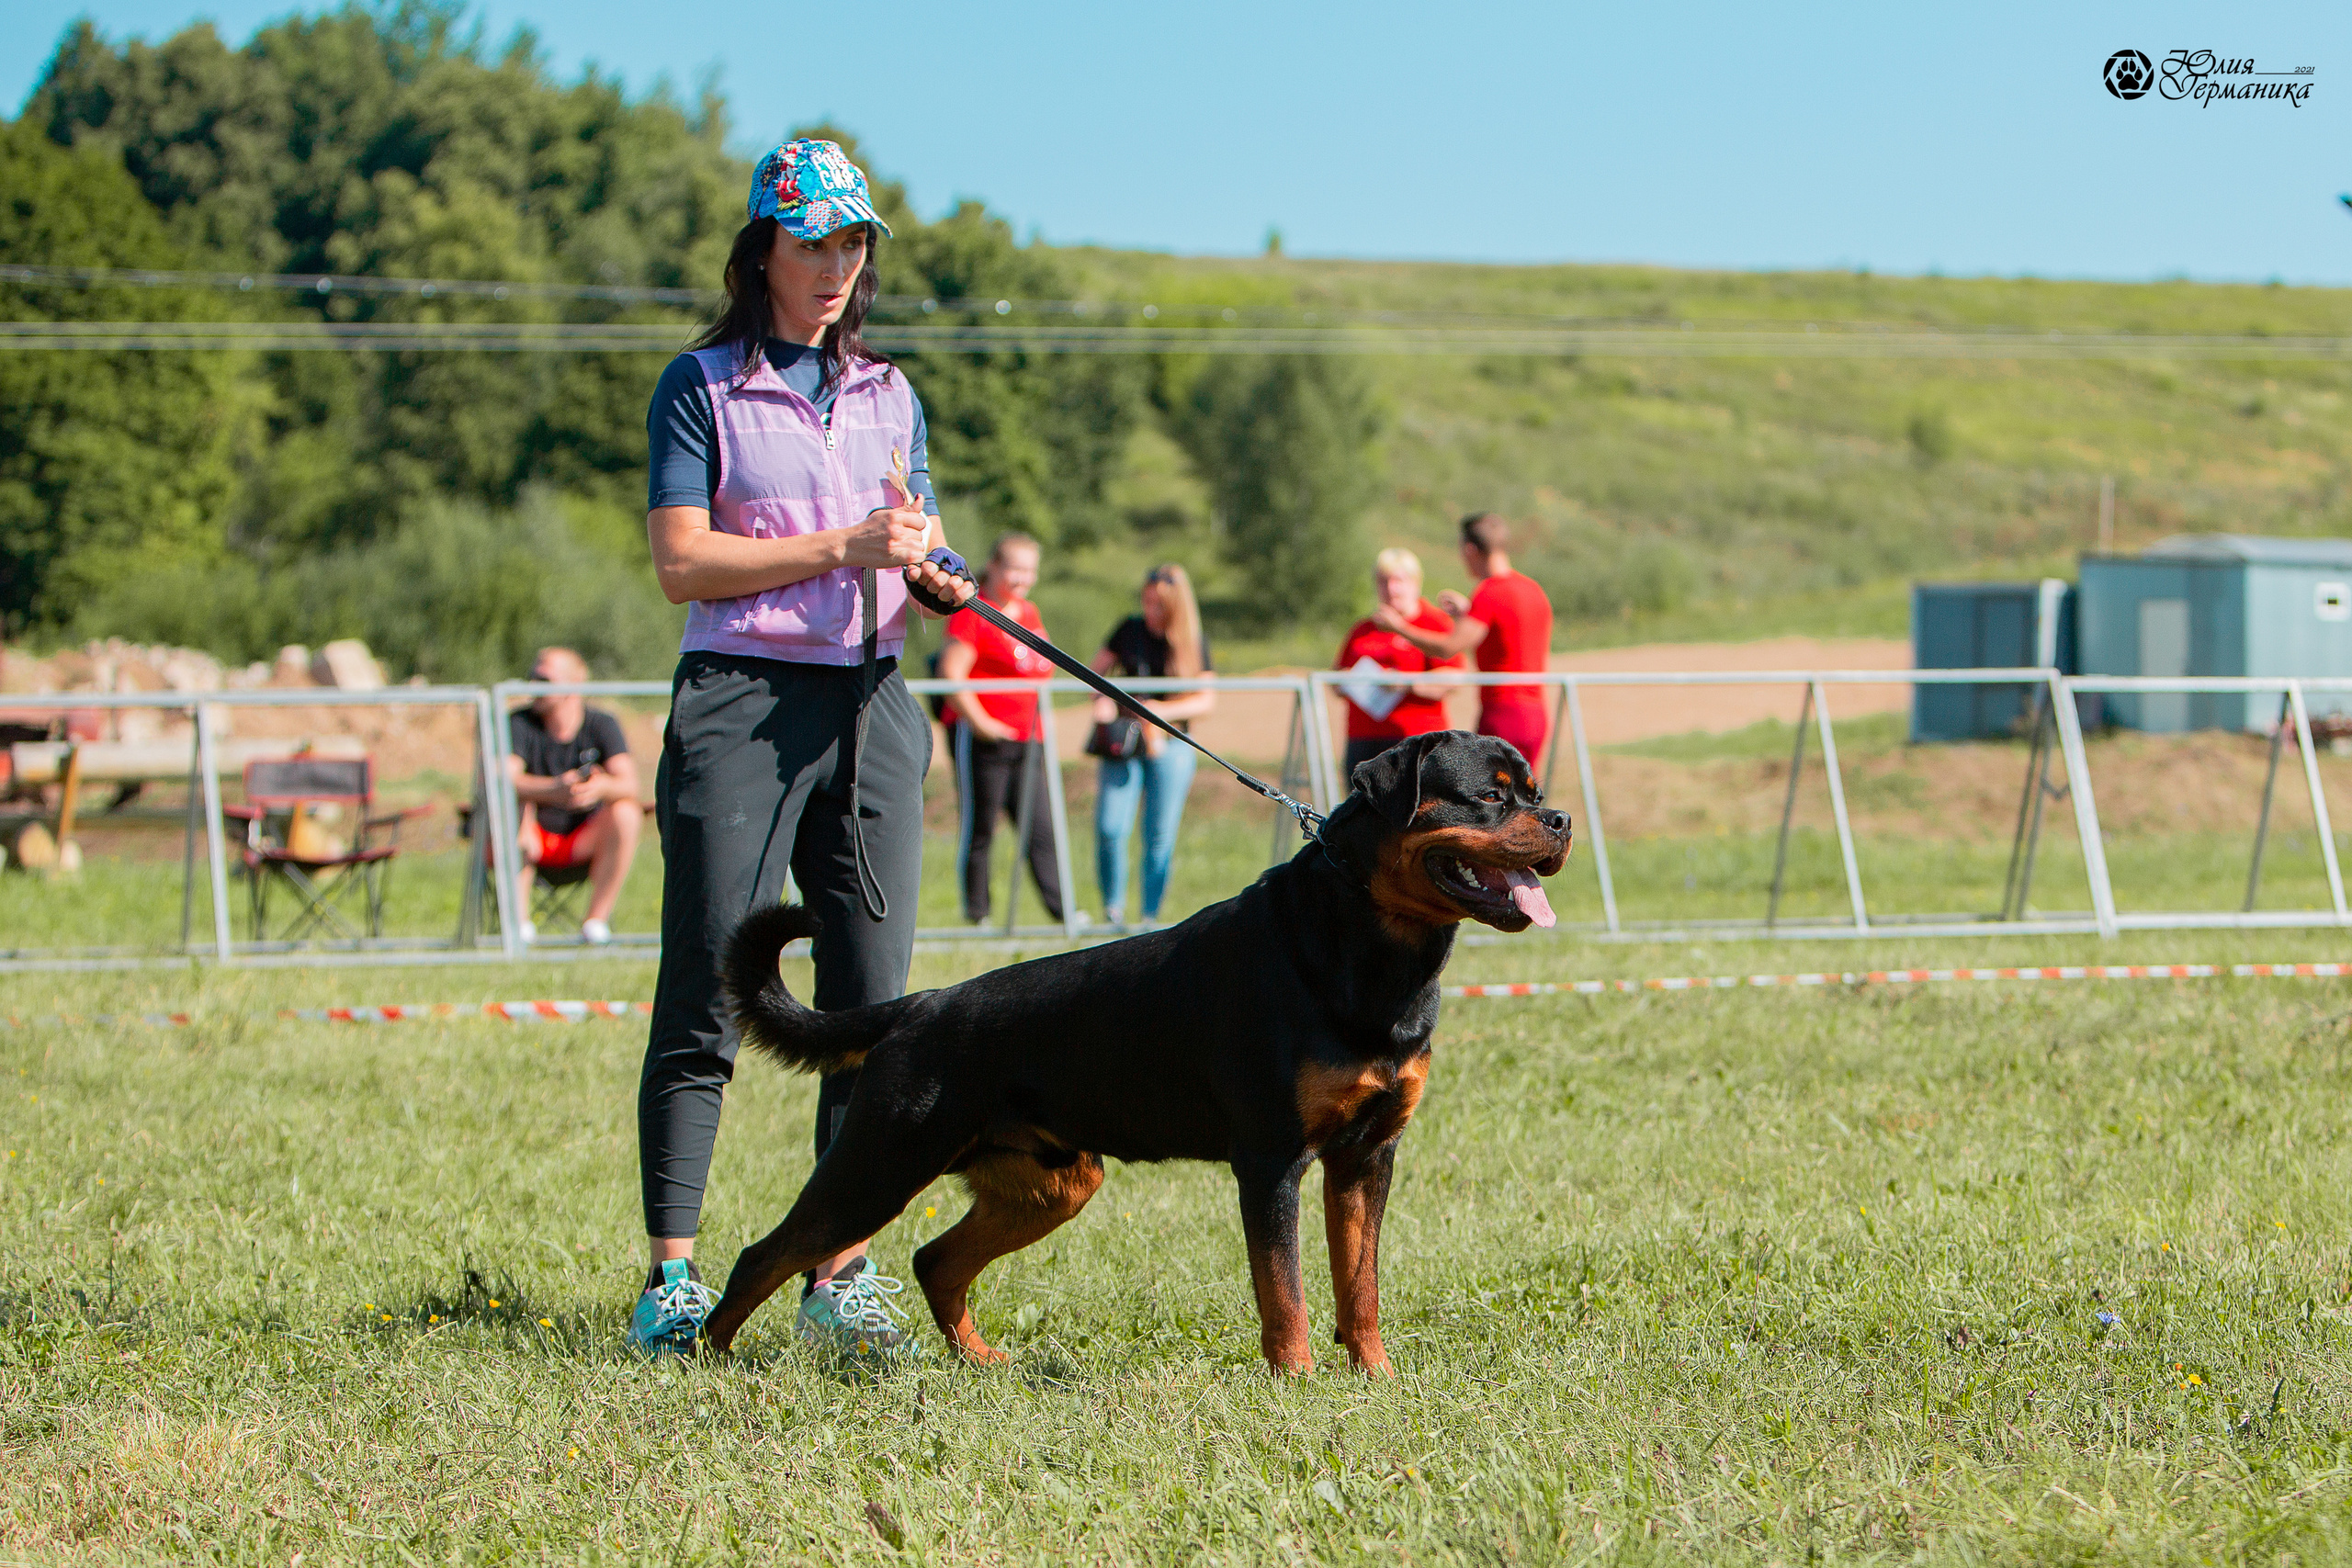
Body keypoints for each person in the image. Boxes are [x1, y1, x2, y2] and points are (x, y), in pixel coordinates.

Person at [629, 138, 976, 1359]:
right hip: (741, 698)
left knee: (875, 1009)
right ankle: (673, 1280)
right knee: (708, 985)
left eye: (853, 242)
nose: (835, 265)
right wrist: (842, 546)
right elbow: (682, 561)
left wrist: (934, 569)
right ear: (763, 249)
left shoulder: (890, 393)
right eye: (812, 241)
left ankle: (842, 1270)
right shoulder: (701, 385)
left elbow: (916, 534)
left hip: (873, 702)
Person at [940, 534, 1067, 926]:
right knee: (982, 829)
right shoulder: (974, 610)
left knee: (1041, 829)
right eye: (1015, 568)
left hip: (1029, 739)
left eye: (1030, 570)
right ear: (994, 567)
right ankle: (978, 915)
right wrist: (983, 724)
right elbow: (951, 674)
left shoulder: (1029, 612)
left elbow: (1040, 669)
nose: (1023, 578)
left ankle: (1063, 914)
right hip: (985, 741)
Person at [1373, 513, 1555, 763]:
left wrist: (1400, 627)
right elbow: (1507, 631)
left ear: (1470, 550)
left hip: (1502, 712)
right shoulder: (1532, 589)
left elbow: (1448, 647)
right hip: (1535, 713)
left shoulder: (1489, 592)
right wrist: (1469, 613)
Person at [1091, 563, 1214, 928]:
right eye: (1146, 601)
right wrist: (1102, 701)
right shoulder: (1129, 630)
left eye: (1158, 604)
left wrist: (1160, 712)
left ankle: (1149, 919)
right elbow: (1094, 674)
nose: (1150, 611)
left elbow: (1206, 700)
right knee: (1111, 827)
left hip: (1171, 743)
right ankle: (1112, 913)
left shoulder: (1193, 640)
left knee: (1159, 836)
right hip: (1126, 742)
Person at [505, 646, 641, 945]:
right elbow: (502, 779)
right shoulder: (518, 722)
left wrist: (600, 787)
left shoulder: (602, 724)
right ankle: (519, 925)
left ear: (574, 684)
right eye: (531, 678)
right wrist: (554, 790)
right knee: (516, 805)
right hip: (530, 838)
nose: (533, 687)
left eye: (544, 681)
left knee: (627, 812)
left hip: (582, 841)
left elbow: (630, 784)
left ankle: (595, 924)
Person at [1335, 548, 1463, 776]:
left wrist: (1405, 683)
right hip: (1364, 739)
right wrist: (1348, 680)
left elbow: (1454, 678)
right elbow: (1336, 677)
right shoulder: (1363, 629)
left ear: (1415, 583)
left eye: (1398, 581)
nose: (1391, 589)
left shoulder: (1434, 623)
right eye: (1383, 581)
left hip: (1417, 739)